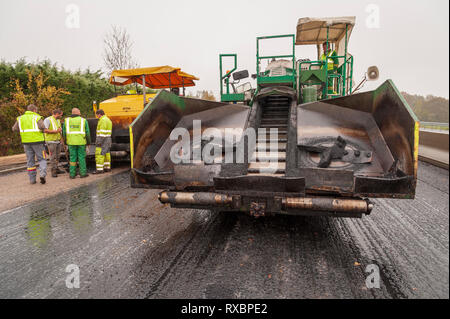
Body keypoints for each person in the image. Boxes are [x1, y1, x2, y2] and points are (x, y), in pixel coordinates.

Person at [12, 104, 49, 184]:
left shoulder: (20, 118)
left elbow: (14, 128)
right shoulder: (37, 117)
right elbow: (43, 127)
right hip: (38, 142)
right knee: (42, 159)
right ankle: (42, 175)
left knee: (30, 161)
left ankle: (32, 180)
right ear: (34, 110)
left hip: (26, 142)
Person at [62, 108, 91, 179]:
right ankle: (83, 173)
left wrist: (65, 142)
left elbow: (64, 133)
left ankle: (72, 174)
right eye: (80, 112)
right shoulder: (83, 120)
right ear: (78, 113)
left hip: (71, 142)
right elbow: (87, 133)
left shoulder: (67, 121)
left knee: (72, 158)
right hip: (81, 142)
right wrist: (88, 142)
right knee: (81, 158)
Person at [44, 109, 65, 177]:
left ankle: (56, 168)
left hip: (58, 141)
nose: (61, 116)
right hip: (51, 141)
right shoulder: (47, 120)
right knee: (53, 157)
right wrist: (55, 131)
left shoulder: (58, 120)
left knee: (58, 156)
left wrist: (61, 140)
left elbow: (59, 131)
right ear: (56, 114)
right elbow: (45, 130)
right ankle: (53, 171)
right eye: (60, 115)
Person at [93, 109, 113, 174]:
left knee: (99, 154)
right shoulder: (108, 119)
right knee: (106, 153)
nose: (97, 116)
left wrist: (99, 141)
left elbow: (102, 132)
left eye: (97, 115)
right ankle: (107, 168)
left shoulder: (102, 120)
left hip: (102, 139)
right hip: (108, 139)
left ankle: (99, 169)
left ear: (99, 114)